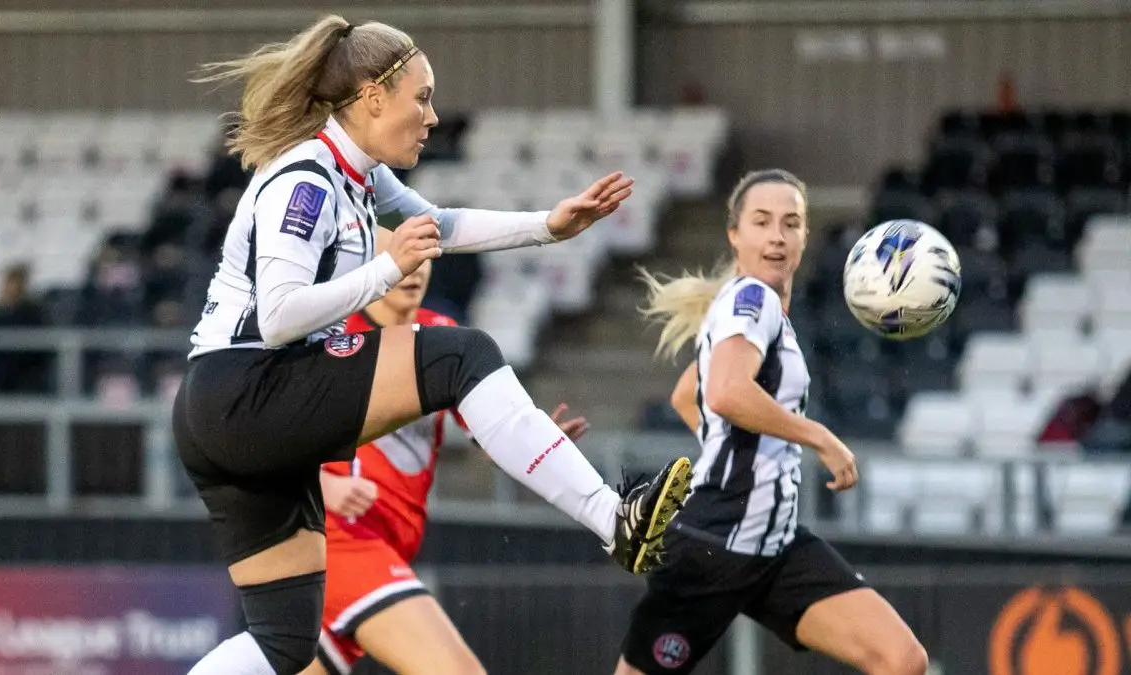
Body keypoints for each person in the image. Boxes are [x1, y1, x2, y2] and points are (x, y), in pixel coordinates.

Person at [174, 14, 693, 675]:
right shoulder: (307, 180)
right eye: (420, 98)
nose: (432, 116)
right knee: (460, 355)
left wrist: (549, 226)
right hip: (246, 391)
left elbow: (439, 224)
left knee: (285, 643)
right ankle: (613, 520)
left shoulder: (358, 175)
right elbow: (277, 318)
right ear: (371, 97)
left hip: (228, 411)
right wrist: (387, 269)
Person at [615, 170, 928, 675]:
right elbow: (724, 392)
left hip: (775, 544)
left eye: (791, 223)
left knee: (901, 660)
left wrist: (739, 454)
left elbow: (688, 395)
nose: (777, 236)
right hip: (715, 544)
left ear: (804, 237)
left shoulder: (763, 310)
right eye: (761, 222)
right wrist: (820, 438)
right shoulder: (753, 299)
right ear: (734, 235)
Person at [298, 260, 588, 675]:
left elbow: (488, 435)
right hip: (342, 537)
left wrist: (534, 444)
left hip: (391, 543)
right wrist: (320, 484)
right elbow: (255, 431)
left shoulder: (441, 334)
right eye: (402, 257)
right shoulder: (333, 336)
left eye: (424, 258)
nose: (415, 271)